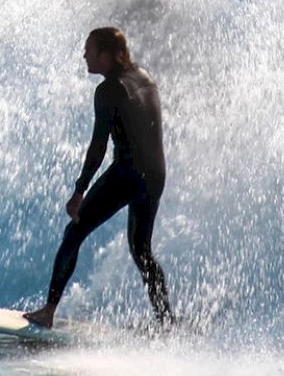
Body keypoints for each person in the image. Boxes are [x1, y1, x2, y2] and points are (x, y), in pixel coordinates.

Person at [23, 27, 175, 328]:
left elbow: (97, 147)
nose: (84, 56)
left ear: (106, 56)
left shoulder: (108, 90)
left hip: (128, 173)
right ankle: (166, 319)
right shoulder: (145, 77)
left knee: (73, 232)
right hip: (156, 174)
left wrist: (79, 191)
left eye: (89, 50)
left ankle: (48, 312)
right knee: (142, 250)